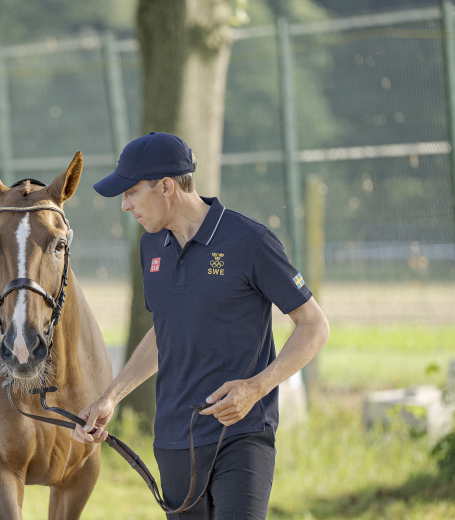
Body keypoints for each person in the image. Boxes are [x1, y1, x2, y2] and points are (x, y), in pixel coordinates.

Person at [73, 132, 329, 519]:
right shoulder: (150, 247)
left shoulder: (250, 240)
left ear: (166, 187)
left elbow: (314, 325)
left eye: (131, 193)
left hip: (240, 434)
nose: (125, 206)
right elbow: (166, 331)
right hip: (174, 439)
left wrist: (256, 388)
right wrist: (111, 396)